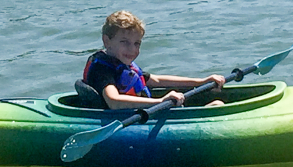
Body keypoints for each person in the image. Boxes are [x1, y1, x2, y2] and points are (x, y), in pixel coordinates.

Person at [83, 10, 225, 110]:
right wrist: (159, 101)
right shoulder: (102, 69)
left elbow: (155, 80)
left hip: (143, 113)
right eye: (124, 42)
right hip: (126, 119)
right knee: (217, 105)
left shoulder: (122, 64)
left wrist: (201, 82)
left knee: (217, 103)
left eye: (136, 43)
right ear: (107, 41)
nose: (132, 50)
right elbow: (114, 101)